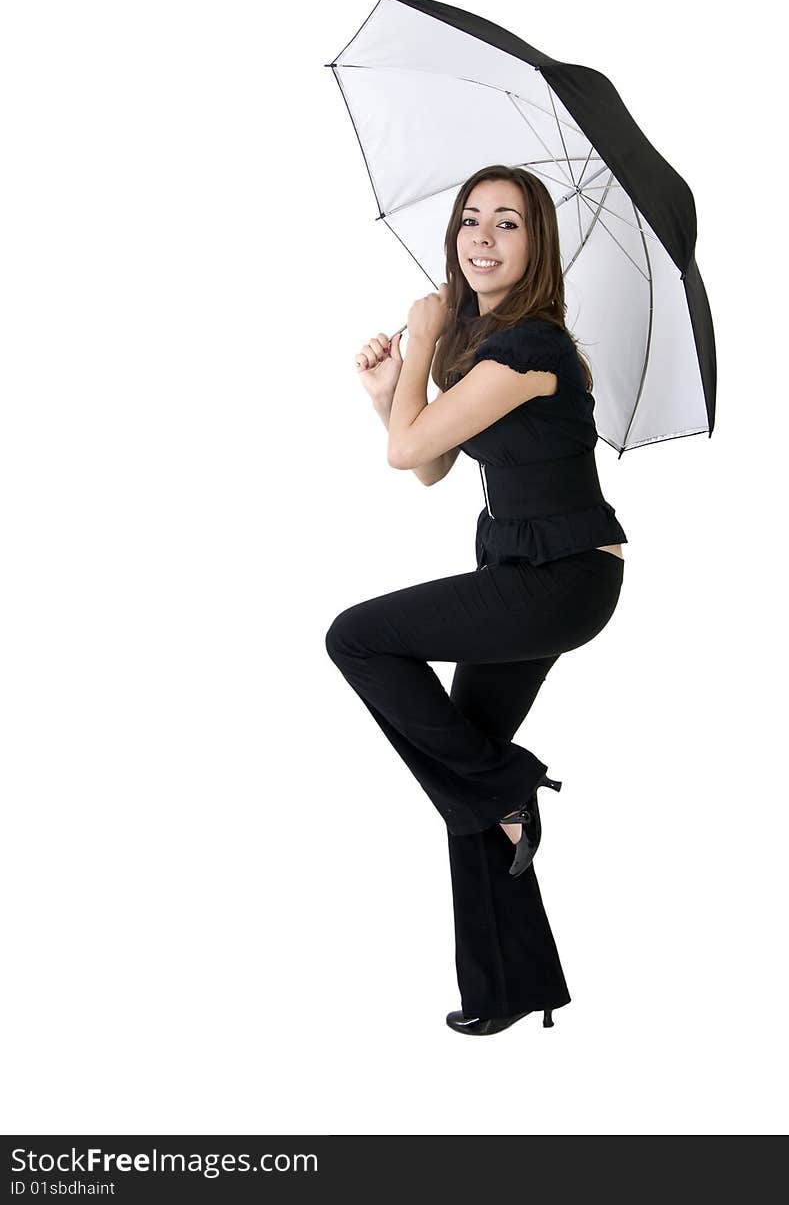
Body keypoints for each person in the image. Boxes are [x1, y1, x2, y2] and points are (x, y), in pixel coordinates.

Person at [325, 164, 627, 1036]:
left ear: (536, 249)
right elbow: (426, 462)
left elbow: (405, 453)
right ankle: (507, 988)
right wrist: (391, 394)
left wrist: (419, 345)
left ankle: (506, 788)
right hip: (530, 575)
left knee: (358, 638)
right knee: (463, 769)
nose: (481, 238)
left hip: (560, 578)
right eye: (470, 221)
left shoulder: (528, 348)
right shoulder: (490, 347)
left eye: (508, 223)